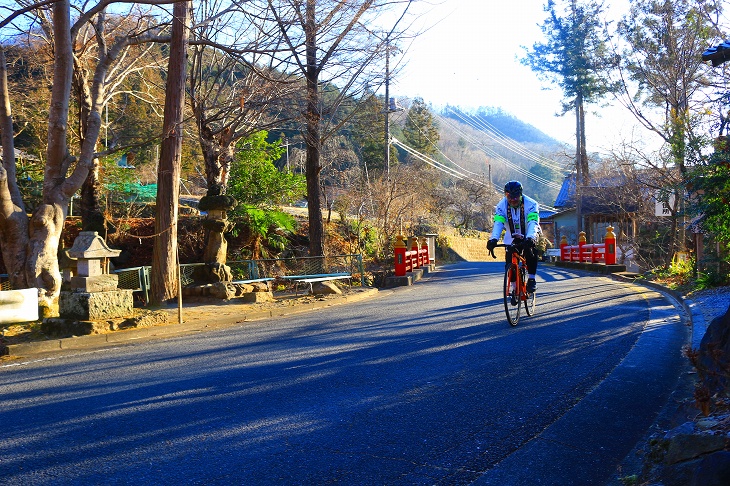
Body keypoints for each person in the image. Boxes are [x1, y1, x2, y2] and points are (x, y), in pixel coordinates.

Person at [487, 180, 540, 292]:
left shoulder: (531, 204)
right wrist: (493, 239)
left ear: (520, 194)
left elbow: (533, 223)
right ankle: (515, 287)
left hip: (528, 233)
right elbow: (498, 223)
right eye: (509, 196)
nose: (512, 200)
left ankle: (531, 279)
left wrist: (531, 237)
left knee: (531, 252)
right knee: (509, 261)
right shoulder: (501, 206)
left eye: (515, 197)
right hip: (511, 235)